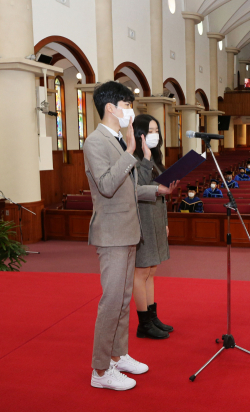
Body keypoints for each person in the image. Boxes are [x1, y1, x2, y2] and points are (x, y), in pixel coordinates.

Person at [84, 81, 178, 391]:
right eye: (127, 106)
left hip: (128, 231)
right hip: (111, 233)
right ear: (111, 108)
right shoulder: (96, 142)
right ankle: (100, 371)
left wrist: (155, 189)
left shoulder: (118, 139)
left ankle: (119, 354)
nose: (130, 111)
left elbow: (131, 189)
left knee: (124, 300)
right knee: (111, 302)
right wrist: (129, 152)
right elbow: (107, 185)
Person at [131, 114, 173, 341]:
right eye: (150, 131)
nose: (155, 135)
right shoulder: (133, 160)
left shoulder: (155, 159)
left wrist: (165, 222)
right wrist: (146, 158)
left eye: (157, 130)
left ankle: (152, 316)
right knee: (141, 271)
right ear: (139, 135)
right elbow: (138, 189)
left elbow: (162, 195)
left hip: (155, 219)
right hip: (141, 221)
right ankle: (143, 323)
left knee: (152, 270)